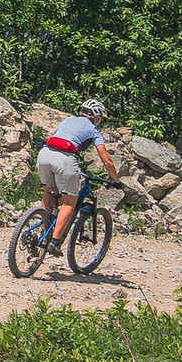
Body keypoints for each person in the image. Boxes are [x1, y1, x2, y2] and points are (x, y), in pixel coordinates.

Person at [32, 97, 120, 252]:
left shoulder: (68, 120)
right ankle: (54, 242)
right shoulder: (94, 130)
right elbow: (106, 160)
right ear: (97, 117)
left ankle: (43, 233)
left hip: (45, 154)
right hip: (64, 159)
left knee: (49, 193)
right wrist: (116, 180)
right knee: (69, 202)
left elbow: (52, 136)